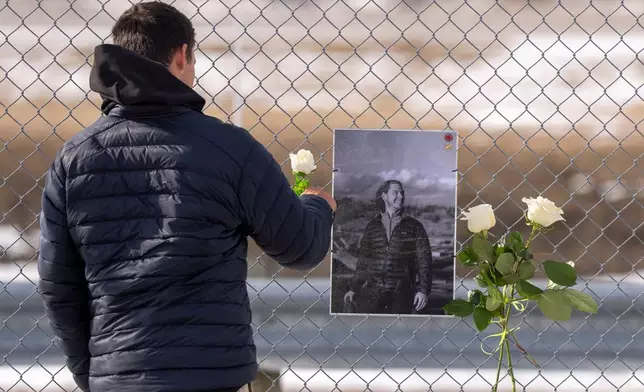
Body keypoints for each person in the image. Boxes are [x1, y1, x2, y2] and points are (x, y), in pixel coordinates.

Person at [36, 2, 336, 392]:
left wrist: (96, 372)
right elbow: (300, 248)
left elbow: (57, 284)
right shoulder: (230, 148)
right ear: (182, 55)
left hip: (118, 374)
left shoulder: (75, 157)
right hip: (213, 375)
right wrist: (317, 205)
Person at [343, 180, 432, 314]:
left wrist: (423, 290)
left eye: (402, 193)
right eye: (395, 192)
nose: (401, 196)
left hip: (402, 293)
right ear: (385, 196)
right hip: (374, 291)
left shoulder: (415, 226)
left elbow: (424, 260)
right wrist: (354, 288)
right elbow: (363, 261)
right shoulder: (372, 226)